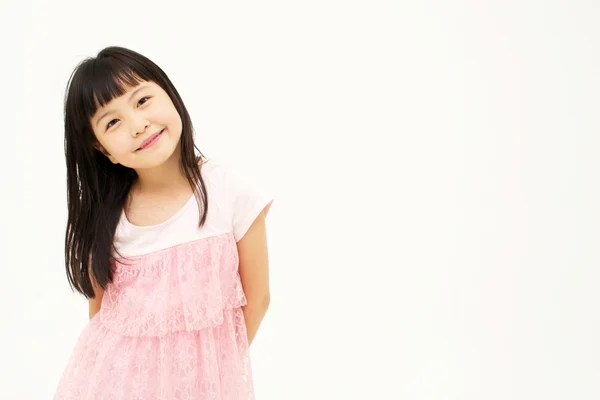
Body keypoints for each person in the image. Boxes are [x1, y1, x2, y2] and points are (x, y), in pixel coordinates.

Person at [54, 46, 274, 399]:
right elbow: (99, 318)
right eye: (113, 122)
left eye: (142, 101)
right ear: (102, 149)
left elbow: (258, 298)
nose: (138, 125)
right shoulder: (109, 217)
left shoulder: (227, 189)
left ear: (168, 93)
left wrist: (210, 375)